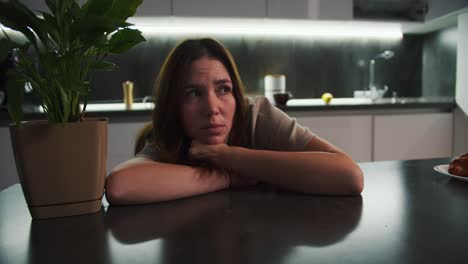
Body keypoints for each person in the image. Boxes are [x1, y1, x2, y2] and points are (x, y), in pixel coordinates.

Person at [105, 38, 364, 205]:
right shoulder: (169, 135)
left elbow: (349, 176)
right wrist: (224, 178)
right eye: (193, 93)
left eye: (224, 89)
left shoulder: (255, 116)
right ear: (174, 106)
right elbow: (119, 187)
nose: (212, 108)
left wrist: (230, 156)